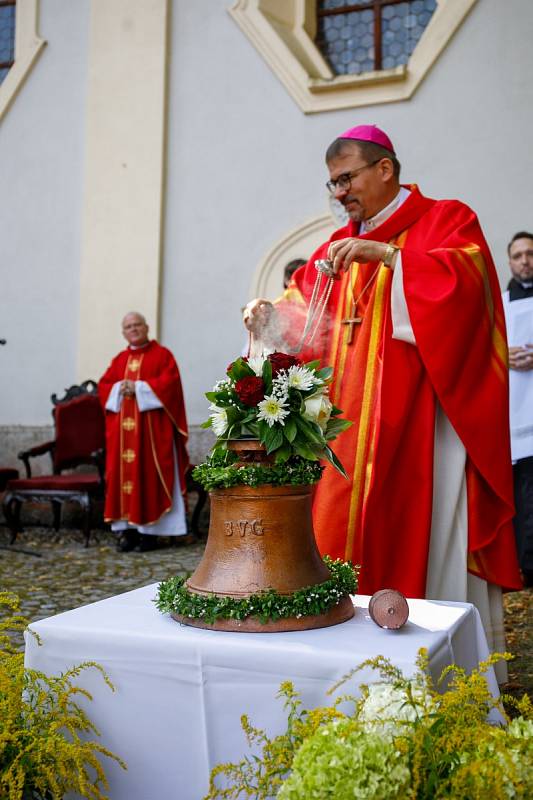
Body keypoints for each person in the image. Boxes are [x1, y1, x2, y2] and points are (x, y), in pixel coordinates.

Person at [244, 124, 522, 661]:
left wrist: (393, 259)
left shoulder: (447, 219)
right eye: (333, 184)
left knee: (425, 544)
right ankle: (335, 658)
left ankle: (439, 668)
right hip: (344, 434)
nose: (340, 192)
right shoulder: (334, 247)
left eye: (346, 178)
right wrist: (267, 318)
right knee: (333, 538)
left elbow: (470, 288)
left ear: (385, 169)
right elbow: (305, 321)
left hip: (424, 427)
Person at [98, 312, 192, 552]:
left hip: (151, 435)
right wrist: (120, 387)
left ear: (146, 327)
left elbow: (170, 385)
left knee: (149, 478)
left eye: (137, 324)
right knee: (123, 482)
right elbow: (104, 386)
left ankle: (150, 535)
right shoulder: (119, 360)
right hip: (123, 437)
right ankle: (128, 534)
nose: (133, 329)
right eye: (128, 326)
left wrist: (138, 387)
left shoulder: (162, 355)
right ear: (123, 332)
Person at [502, 231, 533, 587]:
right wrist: (501, 354)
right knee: (522, 495)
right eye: (518, 255)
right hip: (513, 409)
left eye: (530, 254)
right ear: (509, 261)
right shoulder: (502, 304)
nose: (524, 260)